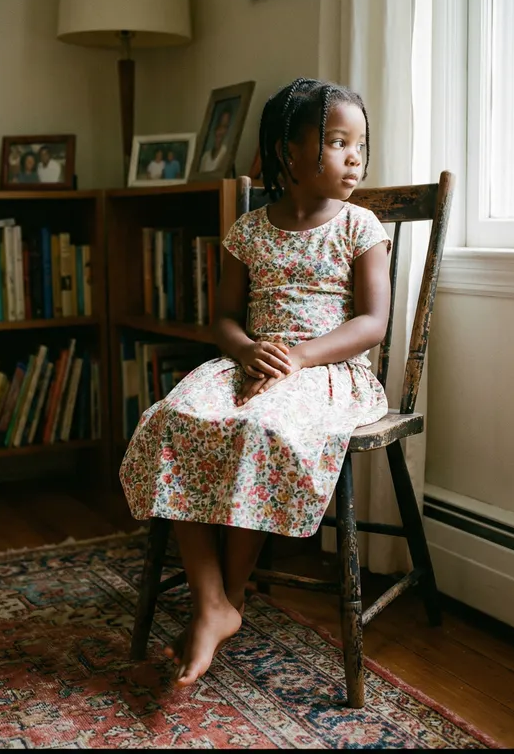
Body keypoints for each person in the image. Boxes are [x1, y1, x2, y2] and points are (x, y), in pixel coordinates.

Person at [119, 78, 391, 688]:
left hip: (325, 372)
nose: (355, 156)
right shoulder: (249, 230)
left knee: (259, 426)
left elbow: (373, 322)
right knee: (173, 419)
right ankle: (210, 598)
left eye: (361, 144)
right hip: (249, 361)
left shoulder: (360, 226)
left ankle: (228, 598)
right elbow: (223, 318)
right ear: (288, 154)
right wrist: (246, 350)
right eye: (337, 142)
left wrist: (298, 356)